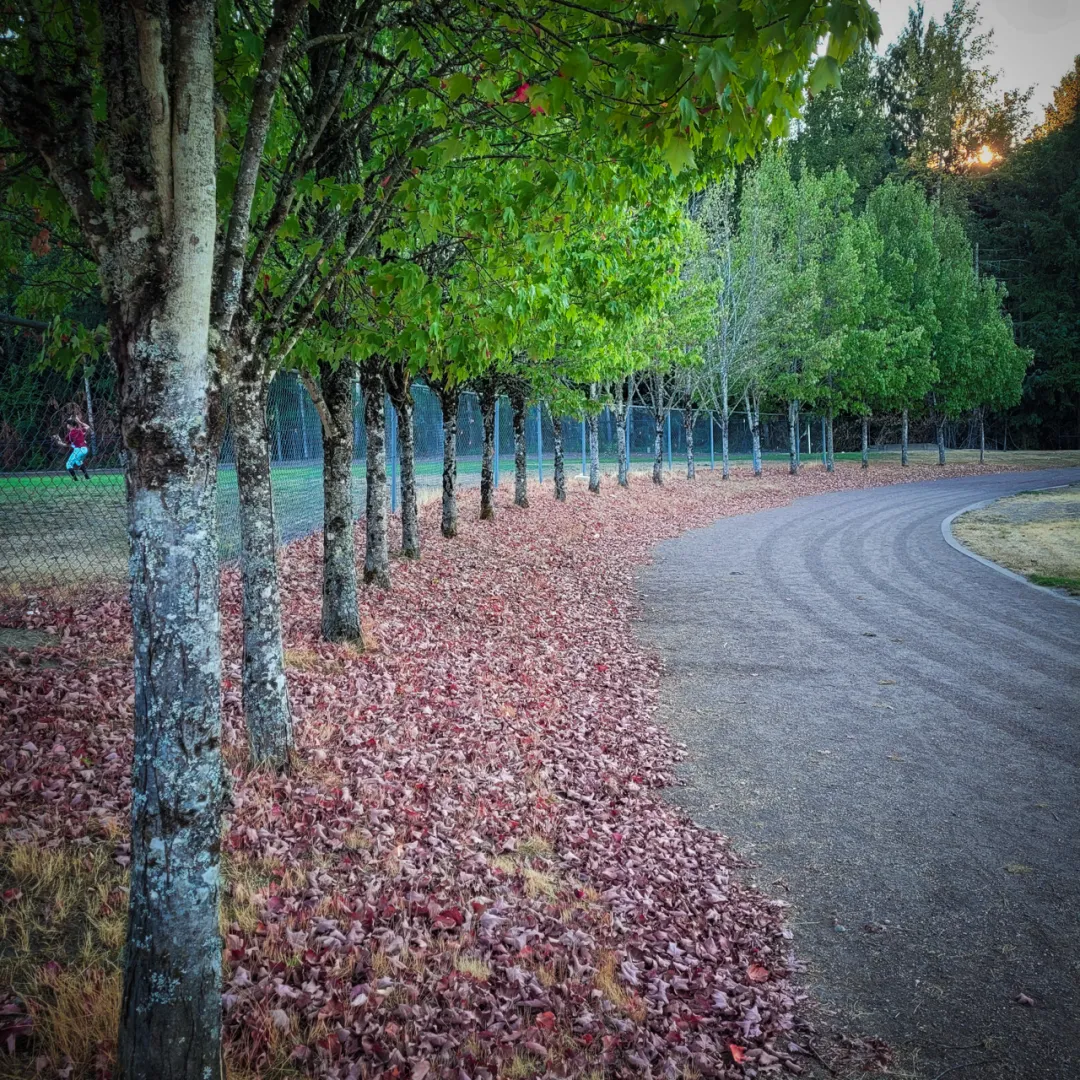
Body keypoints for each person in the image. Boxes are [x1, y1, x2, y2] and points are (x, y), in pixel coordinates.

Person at [55, 413, 92, 480]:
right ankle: (87, 477)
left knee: (68, 464)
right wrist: (79, 422)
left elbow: (67, 445)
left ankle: (75, 479)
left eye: (67, 424)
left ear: (69, 425)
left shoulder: (69, 435)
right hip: (85, 449)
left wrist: (59, 442)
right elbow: (88, 427)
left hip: (78, 450)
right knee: (78, 461)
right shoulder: (80, 430)